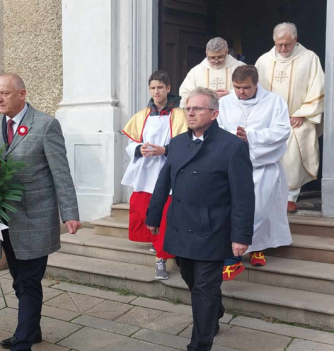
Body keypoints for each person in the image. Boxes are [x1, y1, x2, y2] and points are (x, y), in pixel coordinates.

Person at [146, 87, 255, 351]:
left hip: (212, 228)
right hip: (180, 225)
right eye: (188, 108)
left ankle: (199, 344)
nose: (191, 112)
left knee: (203, 291)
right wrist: (154, 214)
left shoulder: (232, 147)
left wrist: (241, 235)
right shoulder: (178, 143)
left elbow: (244, 195)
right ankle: (214, 310)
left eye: (198, 108)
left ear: (214, 113)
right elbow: (164, 181)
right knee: (190, 278)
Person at [0, 73, 80, 351]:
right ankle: (33, 329)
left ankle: (23, 341)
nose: (0, 98)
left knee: (28, 281)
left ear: (22, 94)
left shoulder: (45, 125)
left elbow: (60, 172)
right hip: (6, 220)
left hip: (36, 216)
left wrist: (70, 212)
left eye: (5, 93)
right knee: (19, 281)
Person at [217, 65, 293, 279]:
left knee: (260, 211)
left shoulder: (274, 101)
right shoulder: (224, 103)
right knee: (234, 210)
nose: (241, 92)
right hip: (233, 166)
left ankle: (257, 247)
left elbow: (282, 130)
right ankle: (234, 256)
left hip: (263, 166)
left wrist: (250, 136)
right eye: (237, 87)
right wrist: (234, 138)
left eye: (246, 88)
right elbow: (218, 128)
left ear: (256, 84)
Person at [121, 70, 188, 280]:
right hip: (146, 171)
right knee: (146, 212)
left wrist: (165, 150)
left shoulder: (181, 115)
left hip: (168, 173)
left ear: (168, 88)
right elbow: (131, 143)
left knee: (165, 216)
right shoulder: (142, 116)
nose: (156, 92)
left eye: (160, 87)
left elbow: (187, 145)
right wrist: (138, 148)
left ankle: (161, 259)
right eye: (152, 88)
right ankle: (158, 246)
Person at [256, 22, 325, 213]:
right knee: (268, 158)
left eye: (287, 44)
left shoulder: (309, 58)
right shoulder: (263, 61)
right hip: (269, 120)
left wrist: (302, 113)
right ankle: (269, 195)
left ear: (295, 39)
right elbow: (254, 88)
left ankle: (290, 197)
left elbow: (318, 87)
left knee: (293, 159)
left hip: (297, 119)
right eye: (279, 44)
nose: (283, 48)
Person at [179, 37, 246, 106]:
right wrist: (207, 96)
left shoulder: (241, 67)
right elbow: (185, 94)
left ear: (226, 52)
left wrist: (231, 94)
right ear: (206, 53)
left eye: (220, 57)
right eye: (212, 57)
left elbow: (252, 89)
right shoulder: (196, 71)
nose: (216, 61)